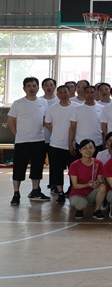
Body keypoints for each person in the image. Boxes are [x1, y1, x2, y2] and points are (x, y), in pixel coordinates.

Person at [8, 77, 50, 205]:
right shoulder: (18, 103)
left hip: (39, 140)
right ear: (24, 88)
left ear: (38, 88)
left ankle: (35, 191)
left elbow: (45, 120)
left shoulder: (43, 102)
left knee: (37, 167)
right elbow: (11, 121)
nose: (32, 88)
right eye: (29, 86)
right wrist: (18, 134)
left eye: (34, 85)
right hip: (22, 142)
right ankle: (16, 194)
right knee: (19, 168)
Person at [44, 84, 76, 203]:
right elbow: (47, 123)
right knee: (57, 170)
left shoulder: (76, 107)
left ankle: (72, 189)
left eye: (65, 92)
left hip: (72, 145)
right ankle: (60, 192)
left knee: (73, 170)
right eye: (60, 93)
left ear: (70, 93)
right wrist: (55, 131)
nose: (63, 95)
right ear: (57, 95)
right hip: (55, 144)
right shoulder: (52, 108)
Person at [68, 139, 107, 220]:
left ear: (94, 149)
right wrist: (88, 184)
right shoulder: (74, 165)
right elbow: (75, 185)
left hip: (92, 192)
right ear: (80, 150)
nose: (88, 150)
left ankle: (97, 210)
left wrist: (97, 183)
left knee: (103, 187)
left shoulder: (98, 163)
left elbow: (100, 180)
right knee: (81, 205)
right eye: (84, 148)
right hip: (78, 193)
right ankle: (79, 209)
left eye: (90, 147)